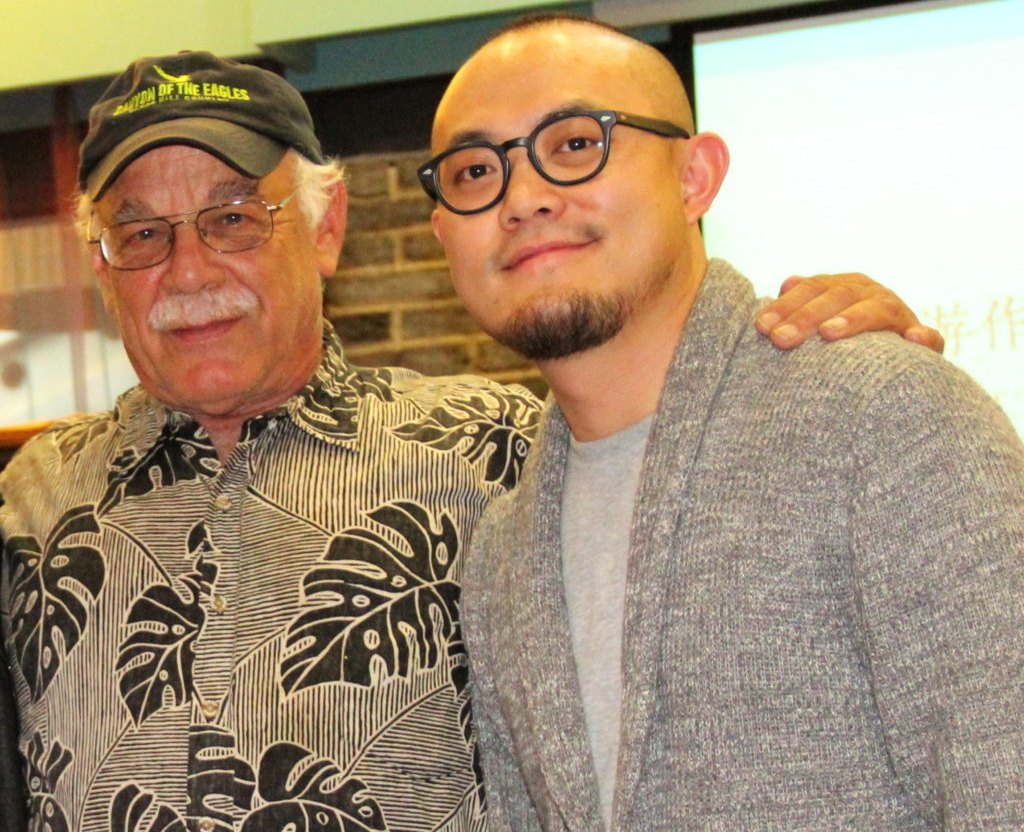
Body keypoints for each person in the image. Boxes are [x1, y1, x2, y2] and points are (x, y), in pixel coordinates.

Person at [0, 49, 935, 832]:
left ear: (327, 228)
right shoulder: (33, 493)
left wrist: (816, 341)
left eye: (235, 217)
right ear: (100, 266)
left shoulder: (506, 449)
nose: (189, 268)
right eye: (143, 233)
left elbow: (709, 461)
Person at [429, 16, 1024, 830]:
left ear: (695, 175)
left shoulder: (882, 417)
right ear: (444, 235)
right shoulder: (503, 543)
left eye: (574, 144)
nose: (524, 197)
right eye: (472, 171)